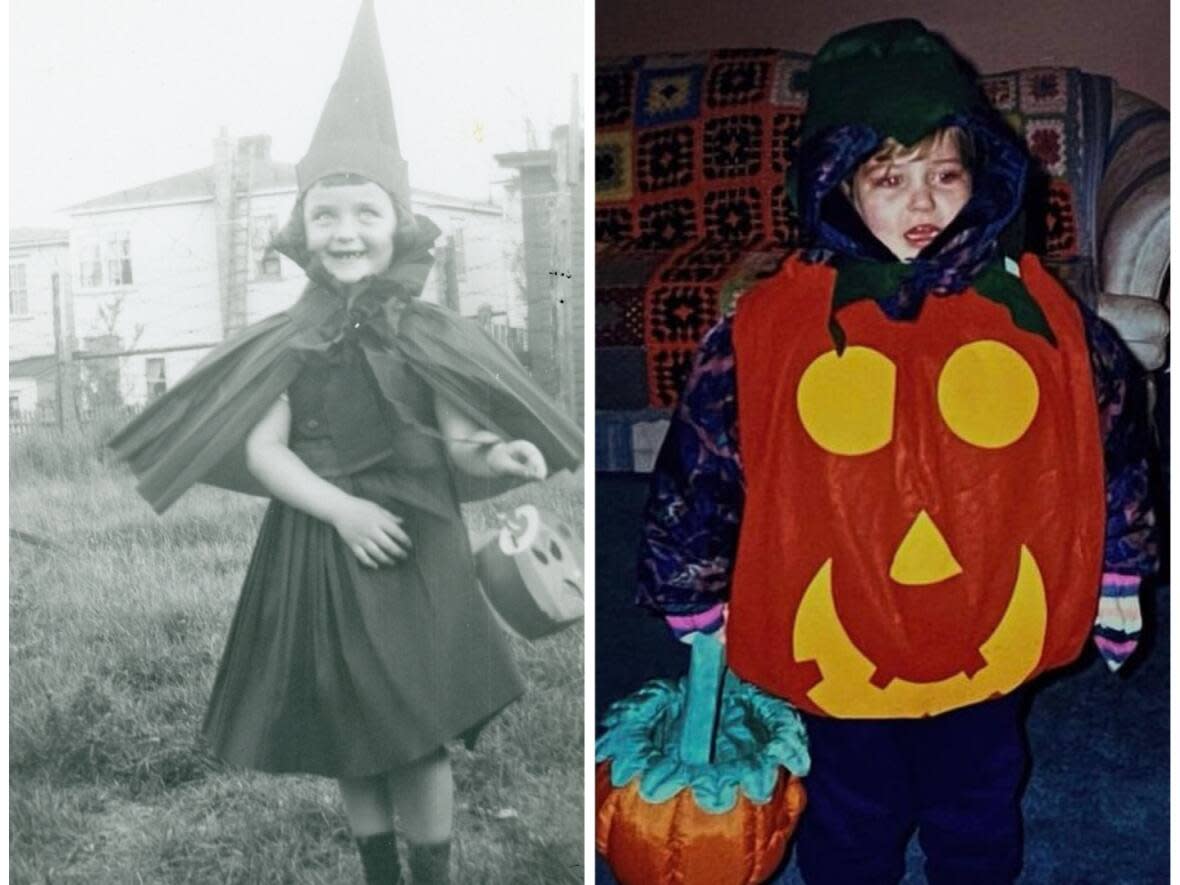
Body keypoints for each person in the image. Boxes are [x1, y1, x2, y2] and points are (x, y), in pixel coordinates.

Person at [638, 19, 1156, 885]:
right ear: (838, 185)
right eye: (889, 178)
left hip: (987, 612)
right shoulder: (768, 329)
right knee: (850, 802)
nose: (923, 205)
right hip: (840, 625)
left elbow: (1108, 449)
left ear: (982, 177)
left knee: (981, 791)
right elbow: (705, 462)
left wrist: (1120, 569)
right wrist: (688, 582)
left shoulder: (1045, 320)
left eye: (945, 175)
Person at [109, 3, 581, 883]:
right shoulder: (290, 337)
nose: (345, 232)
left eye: (364, 212)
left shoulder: (430, 329)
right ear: (303, 229)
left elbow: (458, 438)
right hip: (326, 544)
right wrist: (345, 509)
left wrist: (498, 456)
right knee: (353, 733)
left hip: (424, 542)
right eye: (326, 216)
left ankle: (433, 871)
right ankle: (379, 871)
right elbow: (265, 453)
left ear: (398, 222)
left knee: (422, 726)